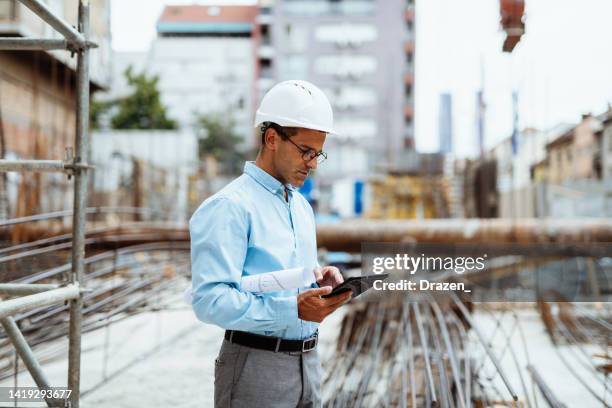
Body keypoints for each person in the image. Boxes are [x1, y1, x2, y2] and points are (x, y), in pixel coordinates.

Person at [190, 80, 352, 408]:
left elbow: (288, 278)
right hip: (255, 365)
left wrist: (318, 281)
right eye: (306, 151)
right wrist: (291, 308)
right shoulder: (229, 207)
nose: (312, 163)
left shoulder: (301, 207)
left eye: (318, 153)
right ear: (272, 138)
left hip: (308, 363)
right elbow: (209, 300)